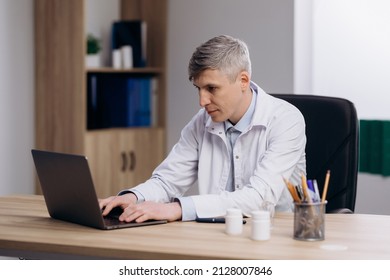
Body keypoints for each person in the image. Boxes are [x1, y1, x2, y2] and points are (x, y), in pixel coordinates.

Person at [100, 35, 306, 223]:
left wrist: (178, 208)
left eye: (211, 88)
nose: (202, 101)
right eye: (198, 89)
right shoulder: (202, 122)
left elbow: (259, 199)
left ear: (243, 81)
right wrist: (133, 197)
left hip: (273, 234)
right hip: (215, 233)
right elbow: (167, 181)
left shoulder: (286, 120)